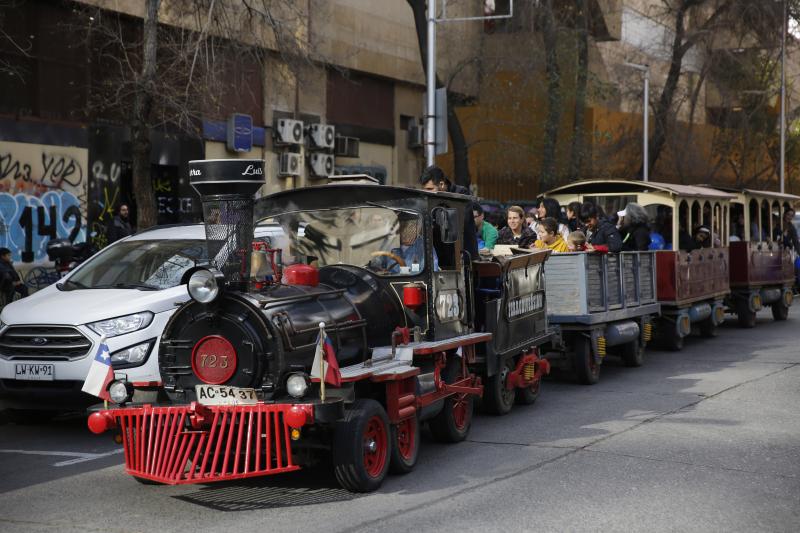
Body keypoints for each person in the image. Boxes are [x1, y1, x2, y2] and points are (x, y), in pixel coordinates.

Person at [419, 166, 479, 259]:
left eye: (430, 189)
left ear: (442, 184)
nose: (426, 193)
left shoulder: (460, 194)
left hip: (462, 256)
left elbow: (462, 222)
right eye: (424, 190)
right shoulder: (429, 199)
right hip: (439, 256)